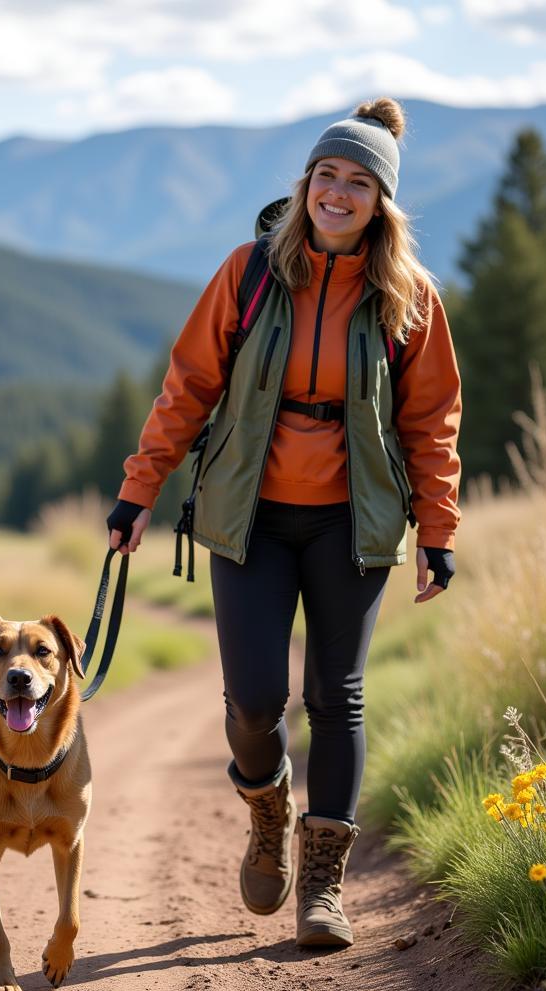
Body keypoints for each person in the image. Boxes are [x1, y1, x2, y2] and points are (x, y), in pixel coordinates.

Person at [105, 98, 461, 948]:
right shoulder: (251, 271)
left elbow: (433, 418)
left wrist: (440, 532)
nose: (338, 194)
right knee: (257, 700)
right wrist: (139, 490)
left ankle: (323, 887)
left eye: (359, 183)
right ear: (306, 185)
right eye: (327, 176)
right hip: (250, 517)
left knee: (336, 697)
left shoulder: (408, 297)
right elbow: (187, 385)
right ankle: (268, 812)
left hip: (355, 522)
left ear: (382, 203)